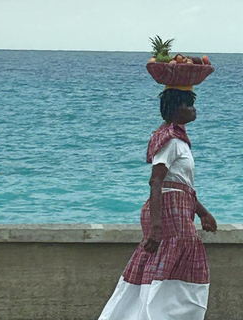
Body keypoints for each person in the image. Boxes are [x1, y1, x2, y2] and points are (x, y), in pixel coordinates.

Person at [98, 87, 218, 320]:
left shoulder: (179, 140)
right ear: (175, 110)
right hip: (169, 213)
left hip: (179, 209)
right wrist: (156, 227)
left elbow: (180, 183)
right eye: (188, 105)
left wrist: (202, 213)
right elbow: (157, 181)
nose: (194, 109)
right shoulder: (170, 141)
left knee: (169, 270)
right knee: (166, 271)